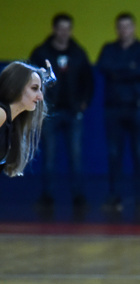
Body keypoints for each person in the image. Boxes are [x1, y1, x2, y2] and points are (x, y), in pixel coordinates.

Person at [29, 13, 94, 209]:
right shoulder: (41, 53)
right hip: (49, 112)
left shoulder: (78, 53)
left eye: (68, 28)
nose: (64, 32)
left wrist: (84, 102)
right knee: (49, 156)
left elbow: (88, 80)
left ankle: (78, 196)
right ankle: (48, 196)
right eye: (61, 28)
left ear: (71, 30)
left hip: (73, 111)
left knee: (76, 156)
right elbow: (30, 80)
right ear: (54, 29)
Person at [97, 12, 140, 214]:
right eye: (121, 27)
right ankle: (114, 197)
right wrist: (129, 68)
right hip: (113, 108)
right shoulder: (108, 48)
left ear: (134, 28)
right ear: (116, 29)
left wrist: (117, 71)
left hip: (138, 108)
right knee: (114, 155)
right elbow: (103, 67)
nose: (124, 30)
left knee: (139, 154)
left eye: (128, 26)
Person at [0, 61, 53, 177]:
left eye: (40, 89)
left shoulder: (13, 121)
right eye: (34, 88)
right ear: (13, 88)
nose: (41, 96)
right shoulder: (1, 113)